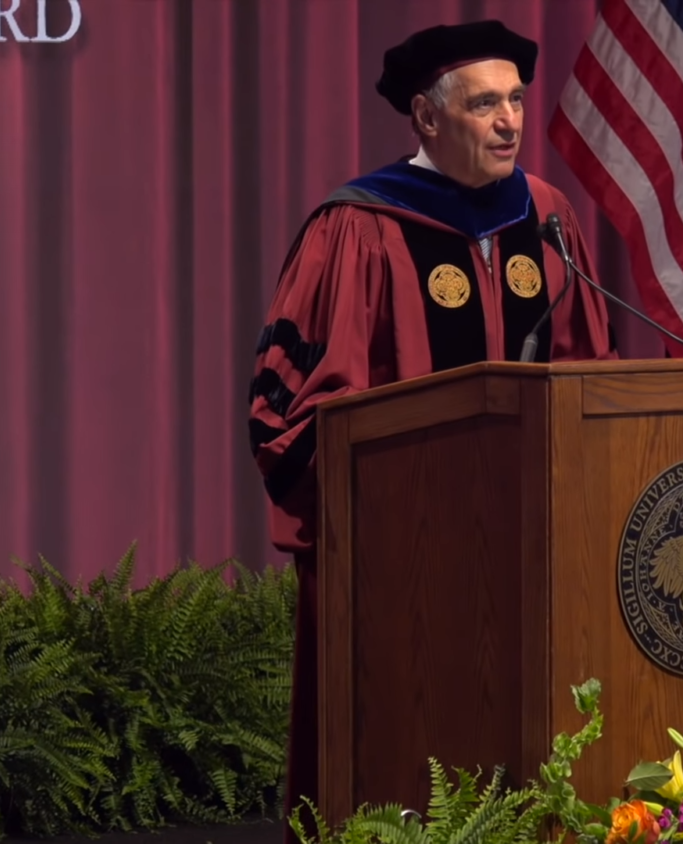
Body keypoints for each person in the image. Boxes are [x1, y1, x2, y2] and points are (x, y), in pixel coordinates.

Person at [245, 19, 617, 841]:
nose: (509, 122)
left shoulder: (546, 216)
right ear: (425, 118)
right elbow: (290, 409)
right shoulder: (358, 227)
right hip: (399, 553)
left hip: (536, 546)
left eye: (515, 101)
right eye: (484, 104)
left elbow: (589, 371)